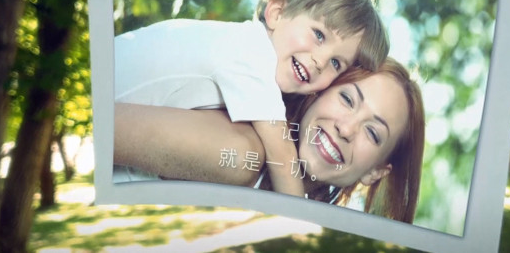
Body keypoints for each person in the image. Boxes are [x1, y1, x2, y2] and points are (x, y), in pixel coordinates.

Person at [114, 0, 389, 197]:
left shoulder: (247, 53)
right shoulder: (250, 53)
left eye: (336, 63)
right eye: (319, 34)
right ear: (276, 12)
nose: (319, 62)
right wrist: (301, 231)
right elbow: (282, 155)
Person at [114, 58, 425, 223]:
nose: (347, 128)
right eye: (346, 98)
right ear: (319, 92)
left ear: (376, 172)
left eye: (372, 132)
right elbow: (108, 127)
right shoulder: (243, 153)